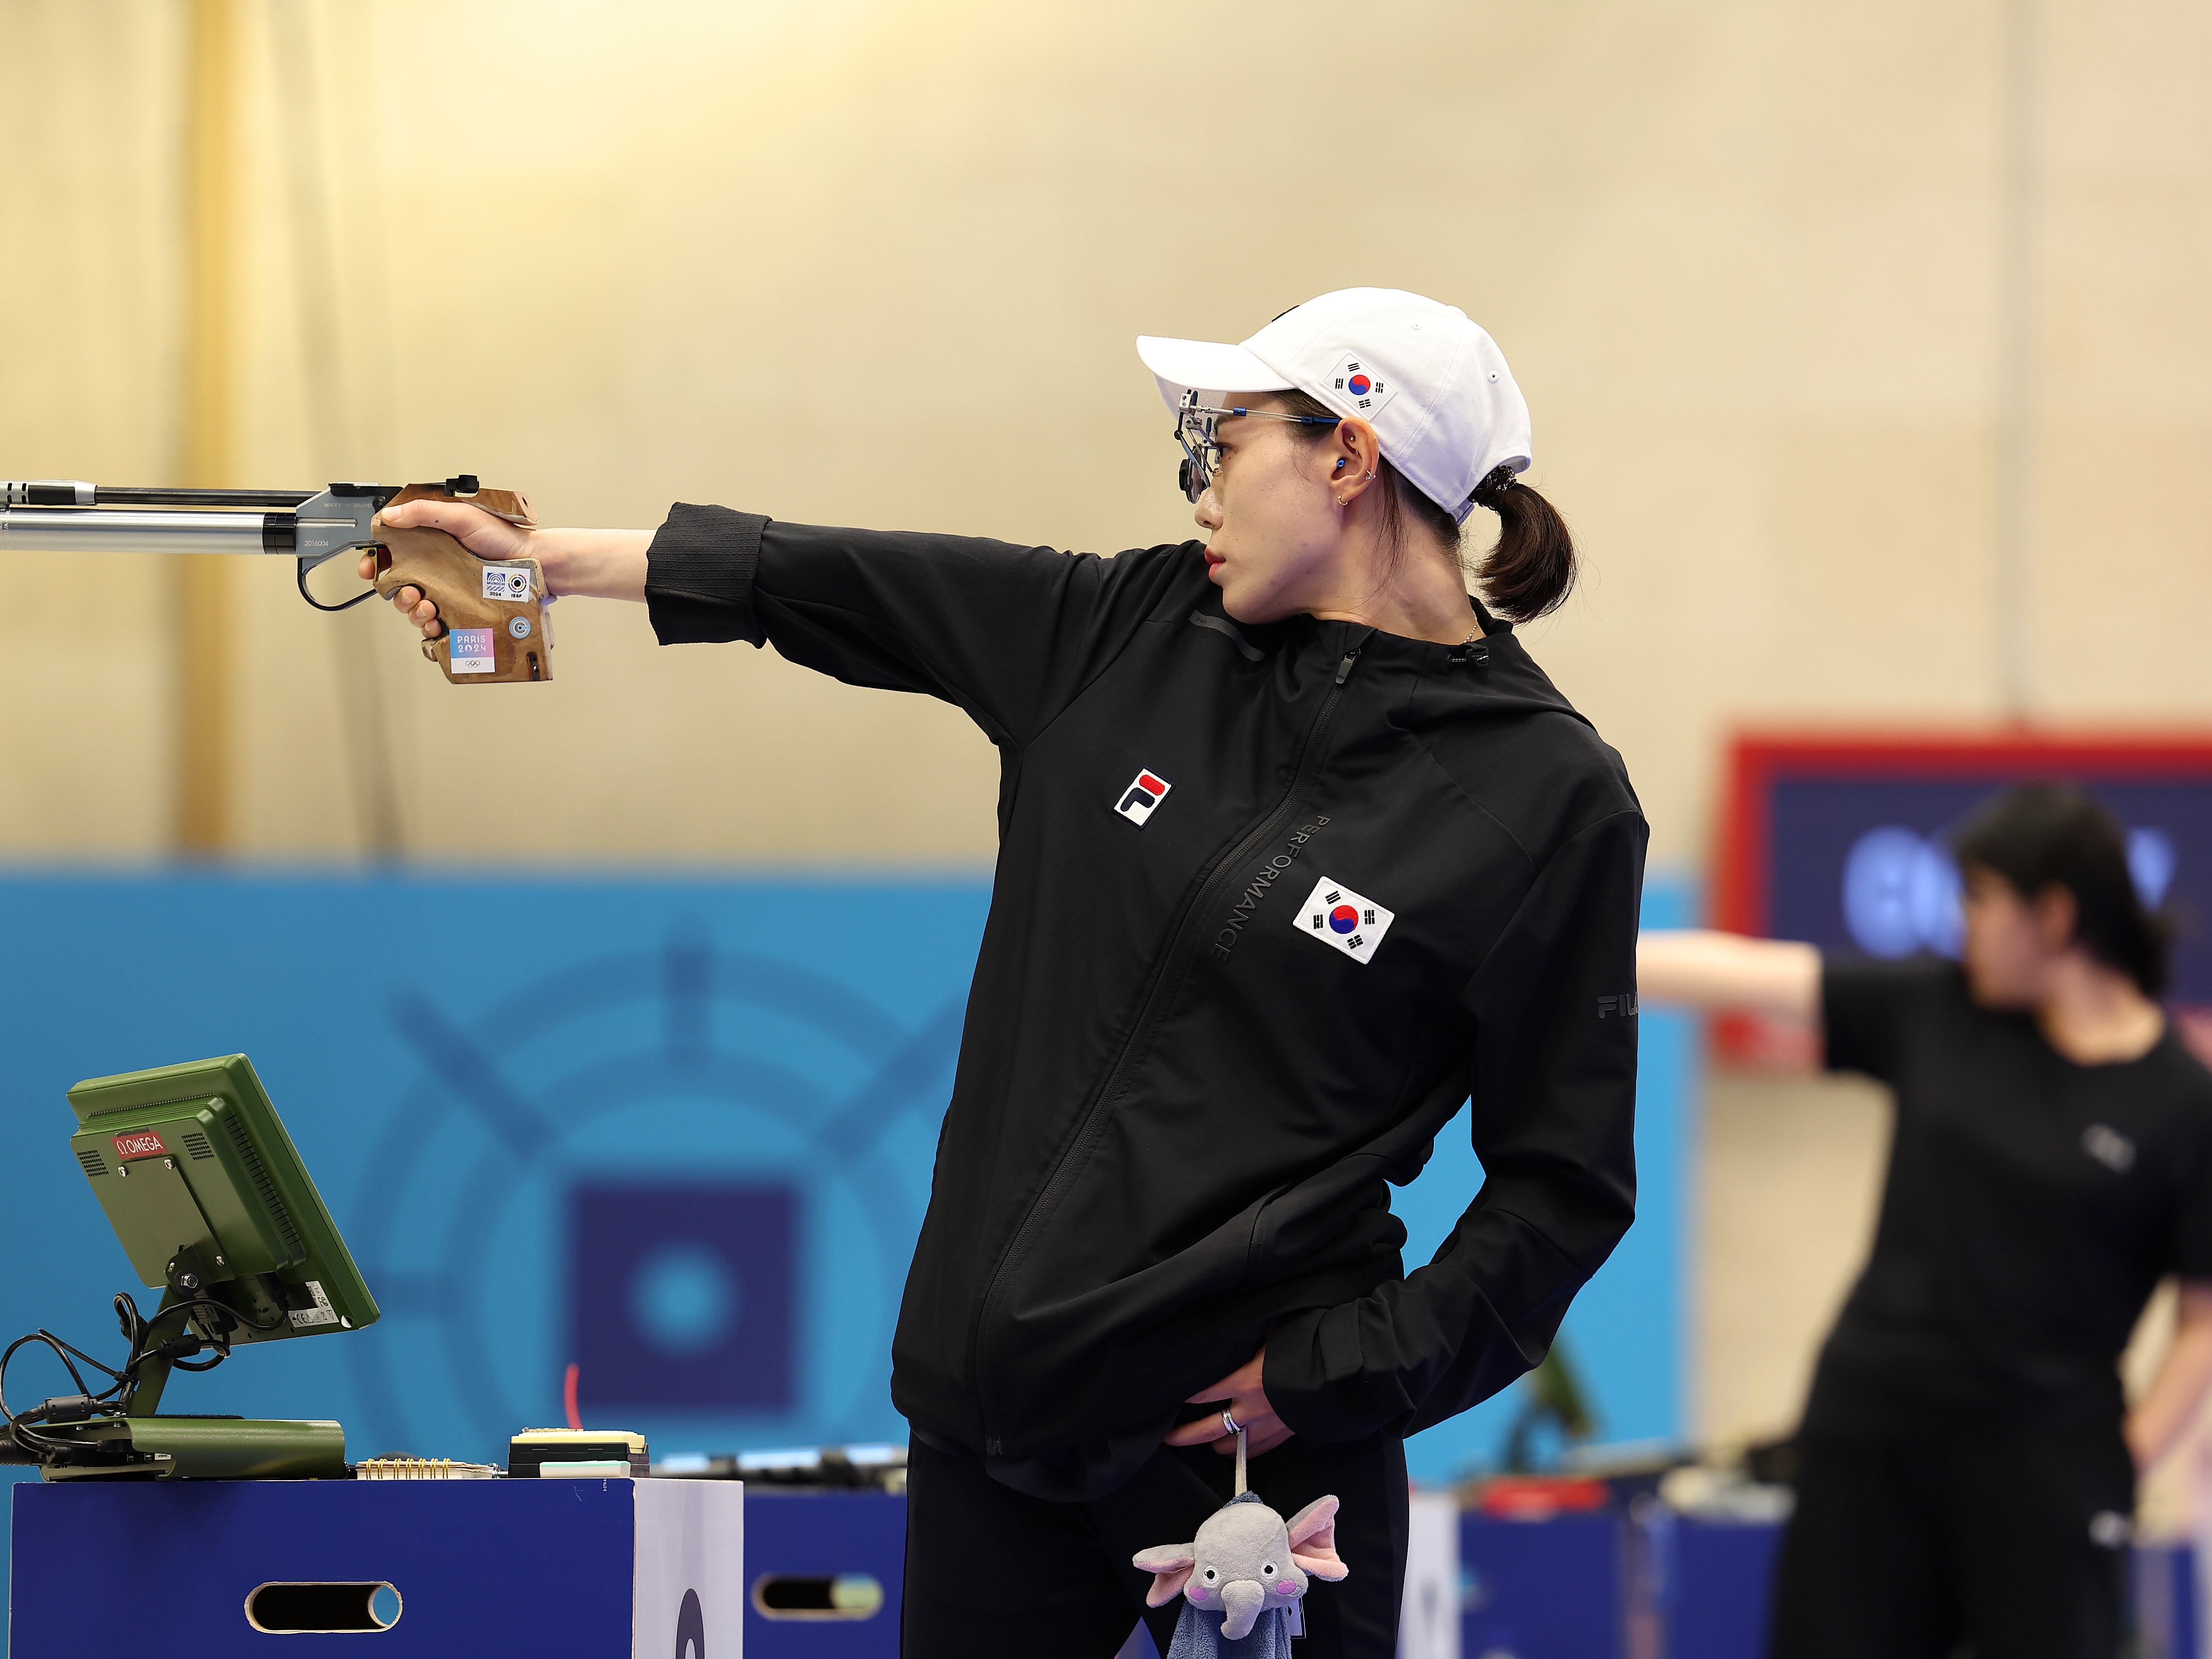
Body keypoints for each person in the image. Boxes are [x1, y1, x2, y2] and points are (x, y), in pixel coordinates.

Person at [370, 288, 1646, 1656]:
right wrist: (540, 563)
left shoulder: (1546, 796)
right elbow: (832, 579)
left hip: (1252, 1462)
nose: (1201, 494)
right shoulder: (1131, 628)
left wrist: (1332, 1377)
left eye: (1221, 448)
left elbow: (1562, 1186)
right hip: (992, 1429)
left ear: (1346, 454)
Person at [1640, 787, 2212, 1659]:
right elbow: (1745, 973)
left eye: (1979, 898)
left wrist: (2121, 1461)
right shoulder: (1940, 1011)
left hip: (2046, 1461)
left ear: (2055, 915)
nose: (1960, 923)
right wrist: (1567, 945)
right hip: (1873, 1434)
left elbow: (2203, 1319)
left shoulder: (2182, 1103)